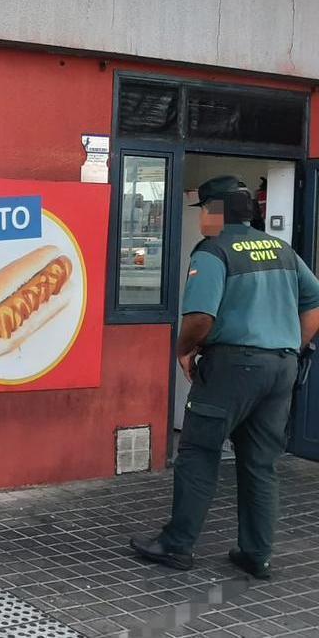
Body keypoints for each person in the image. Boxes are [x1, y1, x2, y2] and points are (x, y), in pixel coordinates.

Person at [131, 175, 319, 580]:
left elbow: (201, 317)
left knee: (199, 452)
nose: (201, 221)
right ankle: (257, 554)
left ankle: (176, 546)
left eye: (204, 212)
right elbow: (314, 302)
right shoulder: (282, 250)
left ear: (216, 212)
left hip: (232, 367)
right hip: (281, 368)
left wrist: (184, 350)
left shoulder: (213, 252)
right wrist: (293, 345)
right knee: (260, 463)